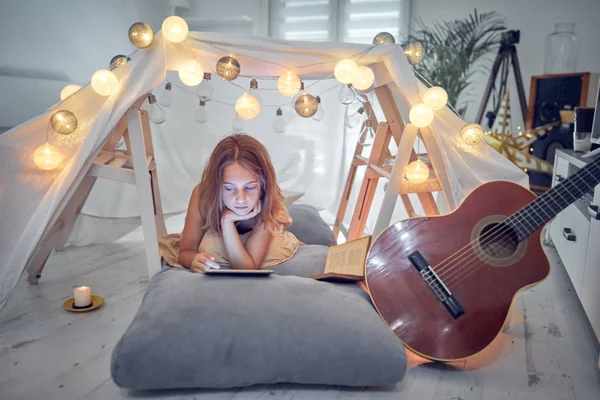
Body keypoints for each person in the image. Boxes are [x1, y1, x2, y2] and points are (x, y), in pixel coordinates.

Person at [158, 134, 301, 273]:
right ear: (216, 186)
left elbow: (247, 269)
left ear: (262, 185)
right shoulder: (203, 194)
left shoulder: (267, 199)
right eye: (229, 188)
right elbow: (185, 252)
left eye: (250, 187)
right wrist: (193, 259)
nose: (241, 198)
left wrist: (227, 222)